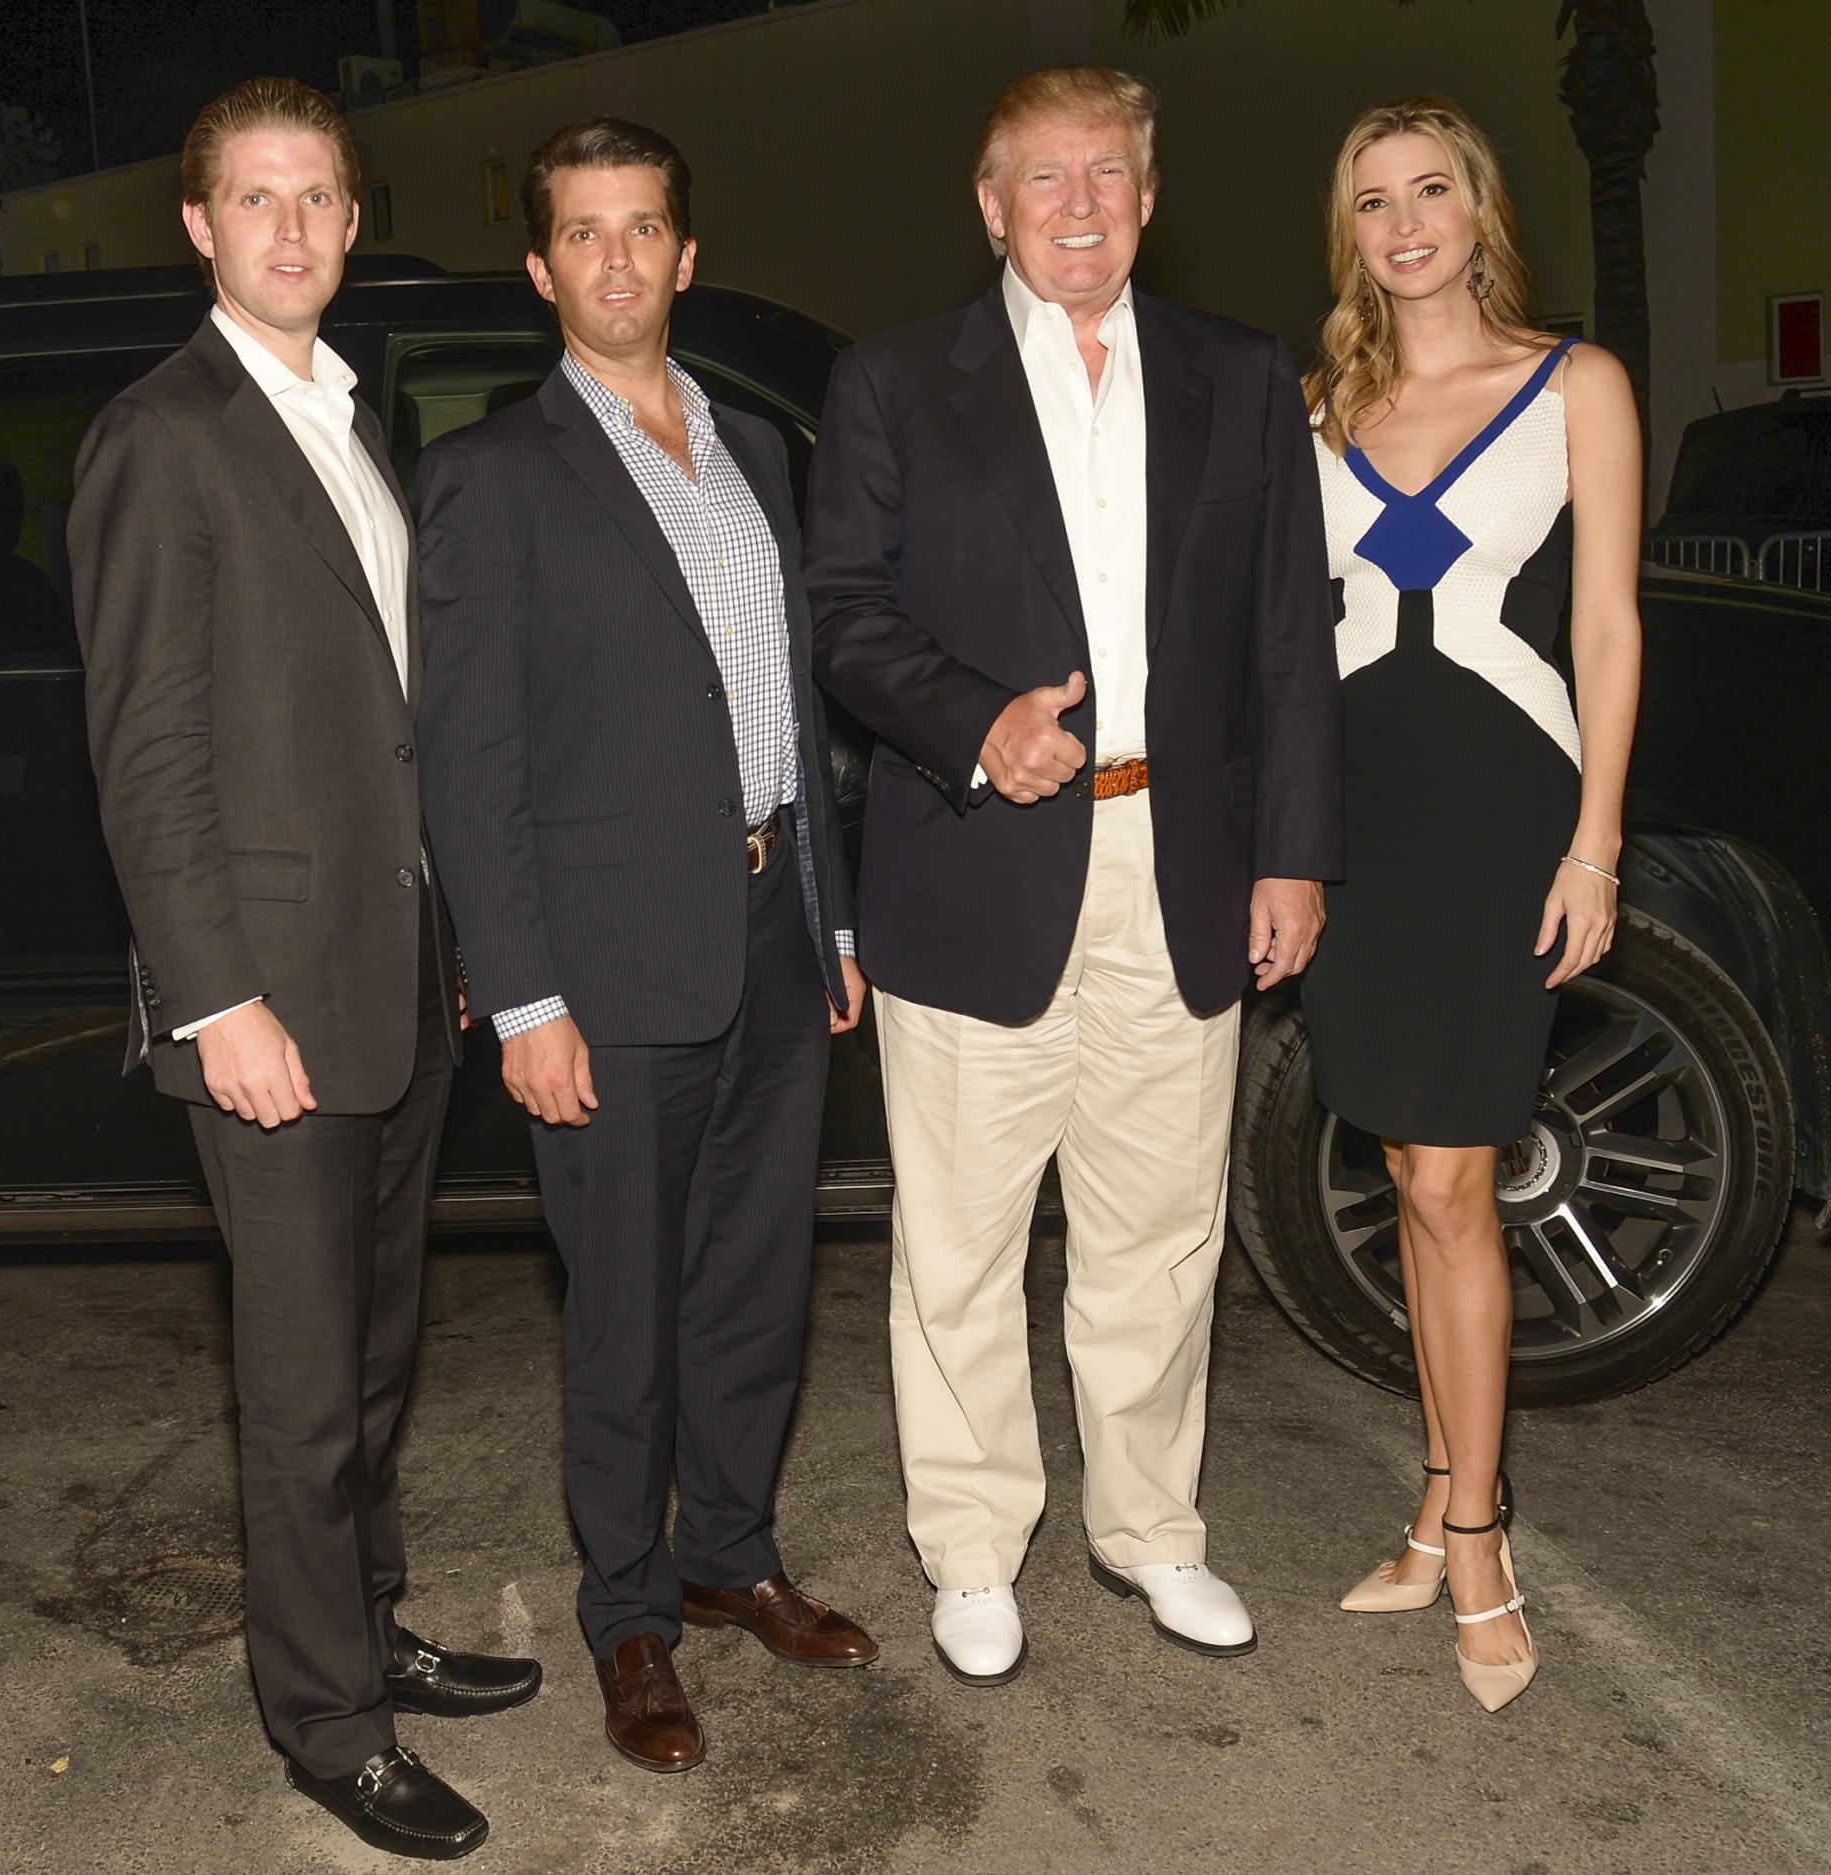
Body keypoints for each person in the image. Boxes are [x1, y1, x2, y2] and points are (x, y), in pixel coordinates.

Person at [805, 66, 1344, 1685]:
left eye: (1108, 174)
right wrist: (975, 727)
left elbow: (1287, 641)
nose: (1081, 206)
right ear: (991, 205)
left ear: (1149, 196)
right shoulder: (898, 381)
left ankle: (1152, 1534)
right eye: (1045, 179)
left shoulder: (1239, 377)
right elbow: (842, 611)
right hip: (980, 858)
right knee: (962, 1241)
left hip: (1183, 861)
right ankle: (972, 1550)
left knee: (1162, 1233)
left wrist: (1296, 856)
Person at [67, 77, 537, 1861]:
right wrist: (214, 997)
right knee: (299, 1382)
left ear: (351, 224)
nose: (288, 228)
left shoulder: (349, 418)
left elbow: (390, 733)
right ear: (200, 228)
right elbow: (147, 754)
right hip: (267, 1003)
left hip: (394, 984)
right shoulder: (162, 434)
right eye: (253, 200)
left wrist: (462, 949)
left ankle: (372, 1626)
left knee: (380, 1350)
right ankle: (328, 1721)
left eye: (317, 198)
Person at [416, 118, 877, 1776]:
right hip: (603, 966)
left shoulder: (756, 446)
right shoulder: (488, 476)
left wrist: (826, 910)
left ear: (688, 255)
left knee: (755, 1285)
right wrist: (524, 994)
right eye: (583, 234)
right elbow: (468, 763)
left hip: (766, 929)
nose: (618, 258)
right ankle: (630, 1613)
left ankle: (730, 1553)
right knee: (623, 1310)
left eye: (646, 227)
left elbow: (794, 707)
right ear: (542, 271)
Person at [1305, 98, 1641, 1714]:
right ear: (1352, 235)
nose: (1408, 223)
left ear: (1479, 209)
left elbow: (1610, 628)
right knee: (1405, 1165)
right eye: (1376, 202)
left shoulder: (1578, 386)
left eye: (1432, 190)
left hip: (1507, 818)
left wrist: (1598, 842)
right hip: (1363, 826)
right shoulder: (1323, 405)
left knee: (1453, 1180)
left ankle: (1484, 1531)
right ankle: (1439, 1504)